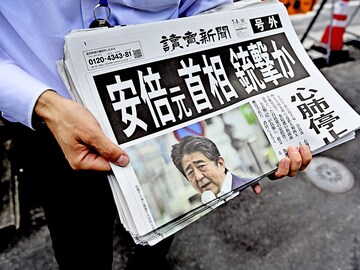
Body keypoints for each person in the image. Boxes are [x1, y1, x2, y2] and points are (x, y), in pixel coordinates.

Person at [0, 1, 312, 269]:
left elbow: (210, 11)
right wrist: (43, 103)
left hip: (162, 106)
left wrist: (265, 122)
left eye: (199, 168)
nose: (200, 176)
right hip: (52, 121)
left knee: (161, 228)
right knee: (77, 239)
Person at [171, 136, 253, 200]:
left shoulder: (254, 187)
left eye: (201, 166)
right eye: (190, 172)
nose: (198, 177)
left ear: (220, 164)